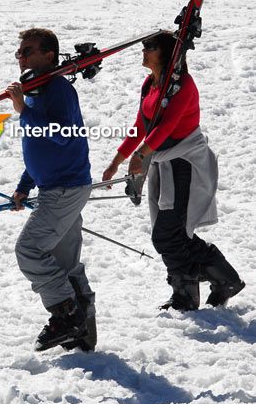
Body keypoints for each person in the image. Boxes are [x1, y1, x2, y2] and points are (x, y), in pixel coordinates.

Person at [103, 31, 245, 311]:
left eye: (151, 47)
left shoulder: (183, 86)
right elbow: (142, 125)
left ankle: (189, 292)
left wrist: (142, 154)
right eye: (144, 46)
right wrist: (116, 160)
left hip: (185, 163)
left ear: (167, 53)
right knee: (173, 234)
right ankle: (221, 279)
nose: (144, 51)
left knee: (167, 234)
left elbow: (166, 126)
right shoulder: (150, 84)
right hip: (164, 161)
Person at [6, 28, 96, 352]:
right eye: (19, 52)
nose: (21, 57)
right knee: (66, 264)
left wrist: (23, 111)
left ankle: (67, 315)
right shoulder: (37, 91)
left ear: (49, 56)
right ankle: (83, 335)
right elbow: (40, 148)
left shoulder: (57, 90)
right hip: (57, 187)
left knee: (29, 250)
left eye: (27, 51)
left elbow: (62, 136)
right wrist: (24, 186)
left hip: (64, 190)